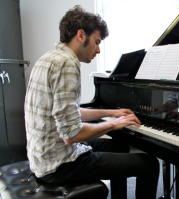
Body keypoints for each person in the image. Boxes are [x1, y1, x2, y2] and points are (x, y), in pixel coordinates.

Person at [24, 5, 159, 199]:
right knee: (149, 164)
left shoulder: (49, 58)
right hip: (59, 165)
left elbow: (70, 112)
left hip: (43, 157)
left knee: (119, 146)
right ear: (81, 35)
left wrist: (111, 113)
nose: (98, 50)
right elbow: (71, 135)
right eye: (96, 42)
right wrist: (113, 124)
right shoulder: (67, 64)